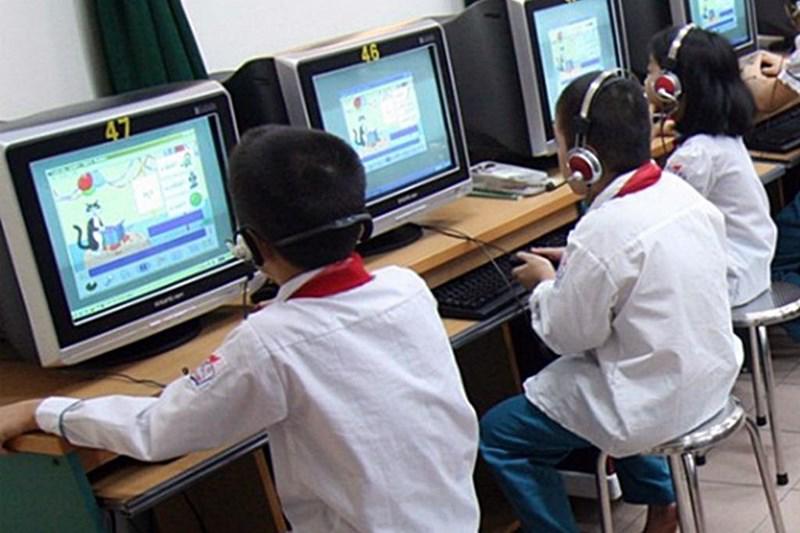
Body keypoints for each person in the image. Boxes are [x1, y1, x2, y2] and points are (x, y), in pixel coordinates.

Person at [0, 125, 481, 533]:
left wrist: (40, 410)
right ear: (360, 225)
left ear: (252, 244)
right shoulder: (407, 287)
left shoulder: (267, 343)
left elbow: (157, 431)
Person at [479, 70, 742, 533]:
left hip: (654, 402)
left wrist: (545, 283)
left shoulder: (602, 232)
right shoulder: (682, 194)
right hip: (710, 380)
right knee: (615, 370)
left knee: (501, 435)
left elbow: (566, 337)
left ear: (581, 159)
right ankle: (661, 497)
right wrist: (580, 268)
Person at [647, 25, 777, 306]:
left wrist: (639, 141)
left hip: (729, 281)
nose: (646, 82)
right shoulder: (719, 137)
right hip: (751, 266)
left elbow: (653, 220)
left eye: (650, 72)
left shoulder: (695, 157)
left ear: (671, 86)